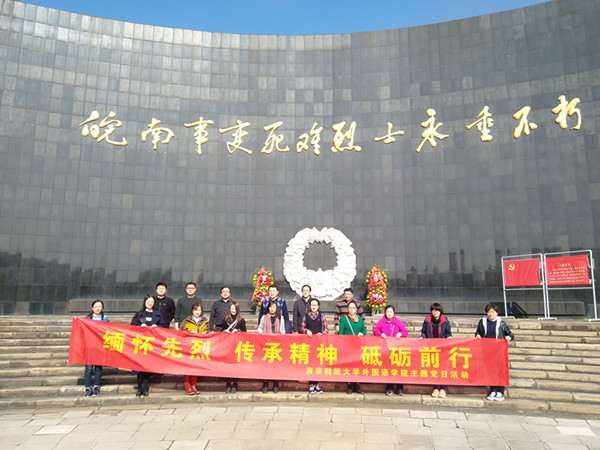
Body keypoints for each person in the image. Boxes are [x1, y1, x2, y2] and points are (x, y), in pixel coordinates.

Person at [475, 303, 514, 402]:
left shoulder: (501, 323)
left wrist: (509, 337)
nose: (491, 314)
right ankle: (493, 390)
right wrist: (477, 335)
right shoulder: (483, 322)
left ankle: (500, 391)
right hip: (487, 351)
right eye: (489, 312)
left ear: (496, 313)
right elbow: (478, 332)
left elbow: (510, 334)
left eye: (493, 312)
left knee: (500, 371)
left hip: (499, 351)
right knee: (490, 371)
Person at [130, 295, 164, 397]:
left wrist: (157, 327)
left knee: (147, 368)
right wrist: (140, 326)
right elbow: (132, 326)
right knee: (139, 368)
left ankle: (145, 388)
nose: (150, 303)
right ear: (145, 302)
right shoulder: (139, 314)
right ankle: (139, 388)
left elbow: (163, 326)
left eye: (152, 301)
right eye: (148, 301)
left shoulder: (158, 314)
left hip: (152, 345)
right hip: (140, 344)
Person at [374, 304, 408, 396]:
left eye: (391, 312)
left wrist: (400, 334)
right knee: (389, 369)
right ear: (385, 312)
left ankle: (400, 388)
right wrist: (381, 334)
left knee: (398, 368)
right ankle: (390, 388)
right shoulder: (381, 322)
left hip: (396, 349)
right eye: (387, 311)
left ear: (394, 313)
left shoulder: (397, 322)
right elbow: (375, 331)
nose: (389, 313)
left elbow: (405, 332)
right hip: (385, 348)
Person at [420, 302, 453, 398]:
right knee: (434, 368)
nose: (435, 312)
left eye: (437, 310)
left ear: (440, 311)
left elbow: (448, 334)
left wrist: (449, 337)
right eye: (433, 310)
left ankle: (443, 388)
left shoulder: (445, 322)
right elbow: (423, 332)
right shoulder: (427, 321)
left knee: (443, 368)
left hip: (442, 349)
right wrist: (422, 337)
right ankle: (435, 387)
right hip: (431, 348)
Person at [179, 302, 208, 395]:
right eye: (195, 310)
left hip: (199, 347)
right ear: (192, 311)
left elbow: (209, 330)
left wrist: (205, 333)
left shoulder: (205, 321)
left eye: (199, 310)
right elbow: (181, 331)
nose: (197, 312)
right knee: (187, 366)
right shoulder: (186, 321)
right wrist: (188, 333)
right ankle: (187, 385)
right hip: (188, 347)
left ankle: (194, 385)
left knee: (195, 366)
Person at [338, 300, 366, 394]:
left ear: (356, 309)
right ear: (347, 309)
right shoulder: (344, 319)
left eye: (353, 308)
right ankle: (349, 385)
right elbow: (341, 333)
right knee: (349, 366)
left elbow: (364, 331)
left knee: (357, 365)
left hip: (358, 346)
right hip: (348, 347)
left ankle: (357, 385)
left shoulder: (360, 320)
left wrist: (362, 333)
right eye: (350, 308)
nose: (352, 309)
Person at [257, 300, 286, 393]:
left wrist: (281, 335)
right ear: (268, 308)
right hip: (266, 344)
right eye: (270, 307)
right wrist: (263, 334)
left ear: (276, 308)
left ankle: (275, 384)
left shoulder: (281, 318)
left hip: (277, 345)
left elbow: (283, 330)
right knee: (265, 365)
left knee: (276, 365)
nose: (272, 309)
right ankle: (265, 384)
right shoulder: (264, 317)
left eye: (274, 307)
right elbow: (259, 328)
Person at [301, 298, 327, 394]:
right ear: (310, 306)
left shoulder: (322, 316)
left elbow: (326, 329)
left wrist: (322, 334)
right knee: (310, 364)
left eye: (315, 305)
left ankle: (317, 384)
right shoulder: (306, 316)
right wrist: (306, 331)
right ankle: (311, 385)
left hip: (319, 344)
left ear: (318, 306)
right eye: (312, 305)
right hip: (309, 343)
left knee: (318, 364)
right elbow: (302, 327)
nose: (314, 307)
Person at [83, 299, 109, 398]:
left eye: (100, 306)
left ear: (102, 308)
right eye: (96, 306)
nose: (98, 308)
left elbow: (108, 332)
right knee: (88, 369)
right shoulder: (87, 319)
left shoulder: (105, 319)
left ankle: (96, 387)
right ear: (92, 308)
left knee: (98, 368)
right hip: (89, 347)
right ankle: (87, 388)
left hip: (100, 347)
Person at [223, 301, 246, 394]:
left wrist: (238, 330)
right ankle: (228, 383)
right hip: (228, 345)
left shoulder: (241, 320)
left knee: (236, 364)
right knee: (228, 365)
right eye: (232, 308)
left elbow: (245, 332)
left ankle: (235, 383)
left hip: (237, 345)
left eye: (235, 309)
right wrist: (225, 331)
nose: (233, 310)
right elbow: (222, 331)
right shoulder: (225, 320)